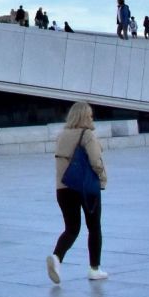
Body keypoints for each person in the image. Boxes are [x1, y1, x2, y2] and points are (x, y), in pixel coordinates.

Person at [47, 101, 108, 283]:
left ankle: (57, 258)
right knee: (94, 227)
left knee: (71, 228)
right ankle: (94, 268)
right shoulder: (87, 135)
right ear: (83, 116)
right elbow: (96, 161)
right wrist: (102, 179)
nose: (92, 118)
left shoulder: (61, 135)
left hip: (63, 189)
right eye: (89, 115)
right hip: (86, 188)